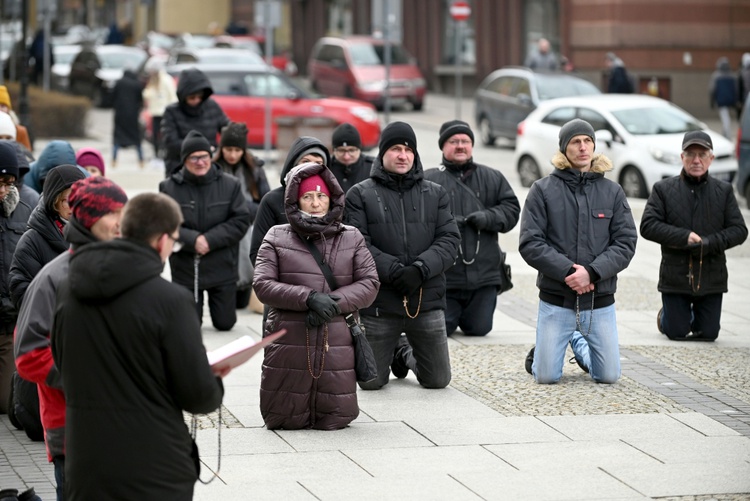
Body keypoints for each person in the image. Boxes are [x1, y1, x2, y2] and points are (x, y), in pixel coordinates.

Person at [50, 192, 225, 500]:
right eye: (174, 239)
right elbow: (199, 397)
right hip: (153, 469)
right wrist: (216, 377)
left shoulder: (69, 288)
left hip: (86, 464)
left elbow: (61, 364)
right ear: (160, 241)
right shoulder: (171, 301)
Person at [14, 176, 127, 500]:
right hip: (75, 433)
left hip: (124, 428)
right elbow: (29, 356)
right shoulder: (52, 279)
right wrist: (89, 379)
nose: (122, 222)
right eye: (112, 213)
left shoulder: (124, 270)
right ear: (88, 218)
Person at [253, 162, 379, 429]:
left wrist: (332, 304)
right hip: (290, 335)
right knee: (285, 415)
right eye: (308, 196)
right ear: (295, 199)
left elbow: (369, 283)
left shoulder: (351, 237)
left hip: (336, 335)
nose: (315, 202)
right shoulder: (276, 236)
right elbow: (263, 284)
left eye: (321, 195)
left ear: (331, 198)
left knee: (336, 412)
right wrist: (308, 298)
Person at [519, 119, 637, 384]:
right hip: (556, 299)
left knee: (608, 376)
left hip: (599, 301)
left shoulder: (613, 191)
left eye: (588, 141)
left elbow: (626, 242)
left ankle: (578, 344)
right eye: (575, 142)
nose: (583, 147)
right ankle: (551, 344)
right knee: (546, 377)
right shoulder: (542, 190)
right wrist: (570, 272)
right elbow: (530, 242)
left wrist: (592, 273)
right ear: (564, 148)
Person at [344, 121, 460, 390]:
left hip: (425, 298)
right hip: (380, 302)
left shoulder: (435, 193)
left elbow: (450, 239)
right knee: (370, 382)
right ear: (382, 153)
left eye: (408, 150)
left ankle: (404, 352)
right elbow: (357, 244)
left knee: (437, 381)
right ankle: (394, 349)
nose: (402, 155)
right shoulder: (360, 194)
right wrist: (393, 270)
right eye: (395, 148)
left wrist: (421, 268)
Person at [640, 131, 747, 342]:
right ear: (682, 157)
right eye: (690, 154)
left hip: (711, 275)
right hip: (676, 275)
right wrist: (684, 237)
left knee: (708, 334)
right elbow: (648, 226)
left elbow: (739, 230)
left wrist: (708, 243)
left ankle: (691, 315)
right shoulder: (662, 189)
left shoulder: (723, 191)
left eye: (702, 154)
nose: (696, 160)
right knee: (676, 332)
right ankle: (666, 316)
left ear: (711, 159)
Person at [424, 120, 520, 336]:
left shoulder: (492, 177)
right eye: (453, 141)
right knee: (442, 329)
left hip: (484, 275)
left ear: (472, 145)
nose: (460, 145)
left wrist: (488, 217)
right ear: (443, 146)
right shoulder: (428, 180)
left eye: (465, 141)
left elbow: (512, 210)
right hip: (446, 277)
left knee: (479, 329)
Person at [159, 130, 250, 331]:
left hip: (222, 266)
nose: (200, 162)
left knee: (225, 323)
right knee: (190, 325)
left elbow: (241, 220)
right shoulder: (168, 187)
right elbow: (164, 223)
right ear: (184, 160)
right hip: (187, 269)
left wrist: (209, 240)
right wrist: (193, 240)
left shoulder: (231, 184)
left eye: (204, 156)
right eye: (194, 157)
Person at [9, 164, 87, 308]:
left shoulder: (94, 231)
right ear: (54, 202)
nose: (74, 205)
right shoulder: (32, 240)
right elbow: (21, 291)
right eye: (67, 200)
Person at [249, 136, 331, 266]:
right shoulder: (272, 201)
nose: (311, 168)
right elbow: (258, 253)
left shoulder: (333, 201)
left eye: (318, 163)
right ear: (293, 164)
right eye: (305, 161)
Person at [214, 122, 270, 308]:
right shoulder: (215, 168)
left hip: (248, 224)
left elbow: (265, 202)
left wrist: (241, 208)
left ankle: (245, 286)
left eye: (237, 150)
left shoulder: (254, 168)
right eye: (228, 149)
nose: (232, 155)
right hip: (224, 225)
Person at [0, 141, 33, 414]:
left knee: (4, 403)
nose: (2, 191)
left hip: (9, 323)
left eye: (8, 183)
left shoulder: (27, 207)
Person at [161, 67, 229, 176]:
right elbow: (171, 143)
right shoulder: (172, 112)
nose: (196, 100)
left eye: (200, 97)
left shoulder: (212, 106)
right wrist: (203, 149)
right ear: (183, 96)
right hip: (179, 169)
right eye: (192, 97)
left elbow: (227, 129)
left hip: (209, 167)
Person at [142, 57, 177, 160]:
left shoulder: (166, 80)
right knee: (154, 135)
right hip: (155, 113)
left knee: (165, 135)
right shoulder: (153, 81)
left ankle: (164, 153)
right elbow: (147, 94)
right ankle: (156, 154)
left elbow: (172, 96)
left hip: (165, 113)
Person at [111, 69, 145, 169]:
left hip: (120, 115)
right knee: (136, 139)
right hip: (133, 116)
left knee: (117, 139)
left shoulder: (119, 83)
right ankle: (141, 160)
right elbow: (140, 100)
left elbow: (112, 97)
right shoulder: (137, 84)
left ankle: (114, 160)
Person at [328, 122, 373, 193]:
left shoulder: (373, 168)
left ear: (359, 149)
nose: (346, 156)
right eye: (341, 151)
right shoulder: (326, 169)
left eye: (351, 150)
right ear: (333, 150)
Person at [709, 57, 738, 139]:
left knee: (725, 118)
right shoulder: (732, 75)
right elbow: (736, 90)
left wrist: (712, 102)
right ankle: (725, 133)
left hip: (721, 100)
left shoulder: (716, 76)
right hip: (730, 100)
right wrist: (735, 101)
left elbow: (712, 90)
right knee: (726, 117)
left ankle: (727, 135)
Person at [0, 86, 32, 151]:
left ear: (8, 109)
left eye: (3, 106)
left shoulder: (20, 131)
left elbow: (27, 156)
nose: (0, 109)